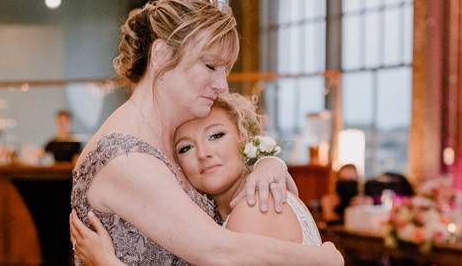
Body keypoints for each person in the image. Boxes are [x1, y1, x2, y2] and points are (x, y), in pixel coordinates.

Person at [70, 0, 343, 265]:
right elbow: (217, 250)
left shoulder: (169, 137)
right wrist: (320, 259)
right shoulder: (124, 157)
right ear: (162, 56)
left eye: (225, 70)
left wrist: (268, 163)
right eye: (210, 66)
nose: (222, 86)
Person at [71, 93, 324, 265]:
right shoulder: (223, 211)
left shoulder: (256, 204)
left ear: (244, 139)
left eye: (216, 135)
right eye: (185, 148)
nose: (204, 153)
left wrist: (108, 263)